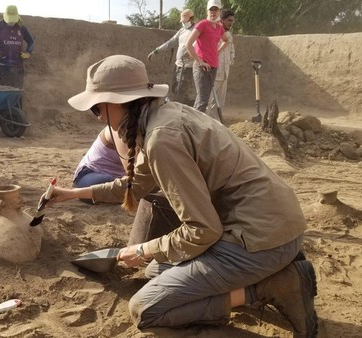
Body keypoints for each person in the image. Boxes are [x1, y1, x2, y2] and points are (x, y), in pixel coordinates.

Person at [49, 55, 318, 336]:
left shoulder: (162, 138)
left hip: (260, 239)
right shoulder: (160, 117)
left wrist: (142, 249)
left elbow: (202, 230)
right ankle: (271, 280)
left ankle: (268, 286)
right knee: (156, 272)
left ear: (117, 102)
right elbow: (130, 187)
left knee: (148, 309)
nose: (100, 118)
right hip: (267, 226)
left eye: (96, 109)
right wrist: (70, 193)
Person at [185, 0, 229, 113]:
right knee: (203, 100)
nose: (213, 12)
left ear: (220, 11)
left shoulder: (219, 28)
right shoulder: (203, 24)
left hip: (213, 67)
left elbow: (226, 40)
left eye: (216, 10)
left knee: (203, 99)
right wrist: (200, 61)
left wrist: (217, 52)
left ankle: (193, 123)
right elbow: (188, 44)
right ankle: (195, 127)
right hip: (202, 67)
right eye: (211, 10)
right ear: (207, 11)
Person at [147, 9, 196, 106]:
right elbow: (171, 42)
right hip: (178, 65)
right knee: (175, 88)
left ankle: (183, 109)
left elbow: (200, 44)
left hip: (188, 67)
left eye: (185, 21)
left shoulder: (196, 30)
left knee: (181, 90)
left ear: (191, 18)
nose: (183, 23)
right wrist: (156, 51)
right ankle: (184, 106)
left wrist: (191, 53)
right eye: (182, 21)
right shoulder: (182, 31)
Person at [0, 5, 34, 89]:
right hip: (1, 66)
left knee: (17, 92)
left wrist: (28, 53)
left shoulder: (21, 27)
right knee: (1, 91)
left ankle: (16, 102)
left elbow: (31, 41)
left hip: (17, 67)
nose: (11, 22)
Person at [206, 9, 235, 122]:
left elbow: (231, 50)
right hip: (213, 71)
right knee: (208, 99)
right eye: (229, 20)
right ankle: (205, 122)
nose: (231, 23)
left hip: (224, 72)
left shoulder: (228, 35)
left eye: (232, 21)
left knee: (220, 101)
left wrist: (231, 60)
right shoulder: (213, 31)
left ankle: (216, 122)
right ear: (222, 19)